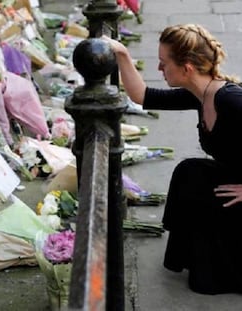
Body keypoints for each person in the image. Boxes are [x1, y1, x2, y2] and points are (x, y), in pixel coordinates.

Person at [103, 23, 242, 295]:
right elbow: (142, 95)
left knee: (206, 284)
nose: (159, 69)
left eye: (163, 63)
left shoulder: (232, 101)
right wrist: (121, 55)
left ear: (187, 68)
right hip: (231, 179)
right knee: (190, 172)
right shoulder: (200, 94)